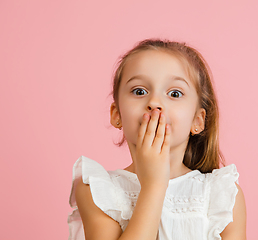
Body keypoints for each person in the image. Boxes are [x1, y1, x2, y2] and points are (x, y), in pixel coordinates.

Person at [68, 39, 246, 240]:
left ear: (197, 120)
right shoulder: (98, 190)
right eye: (139, 91)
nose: (154, 102)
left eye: (175, 93)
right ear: (117, 114)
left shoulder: (222, 197)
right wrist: (154, 186)